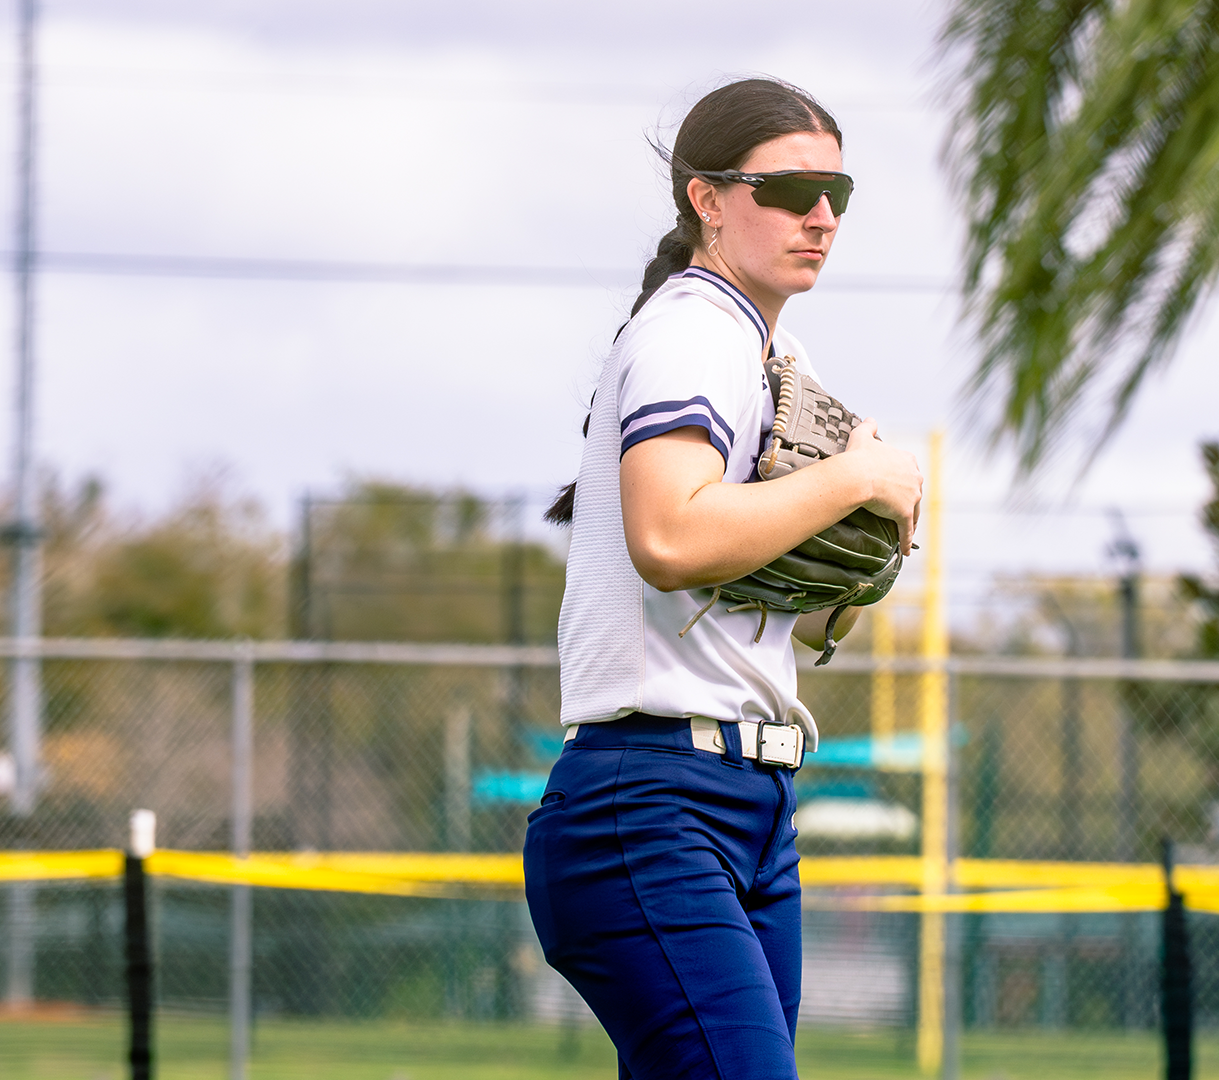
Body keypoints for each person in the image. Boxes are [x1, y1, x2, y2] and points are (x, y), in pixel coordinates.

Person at [525, 77, 924, 1079]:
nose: (821, 215)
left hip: (743, 803)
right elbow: (670, 537)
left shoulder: (767, 348)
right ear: (706, 198)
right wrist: (853, 477)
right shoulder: (691, 332)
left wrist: (852, 508)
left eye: (836, 190)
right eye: (789, 190)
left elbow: (749, 575)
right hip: (651, 801)